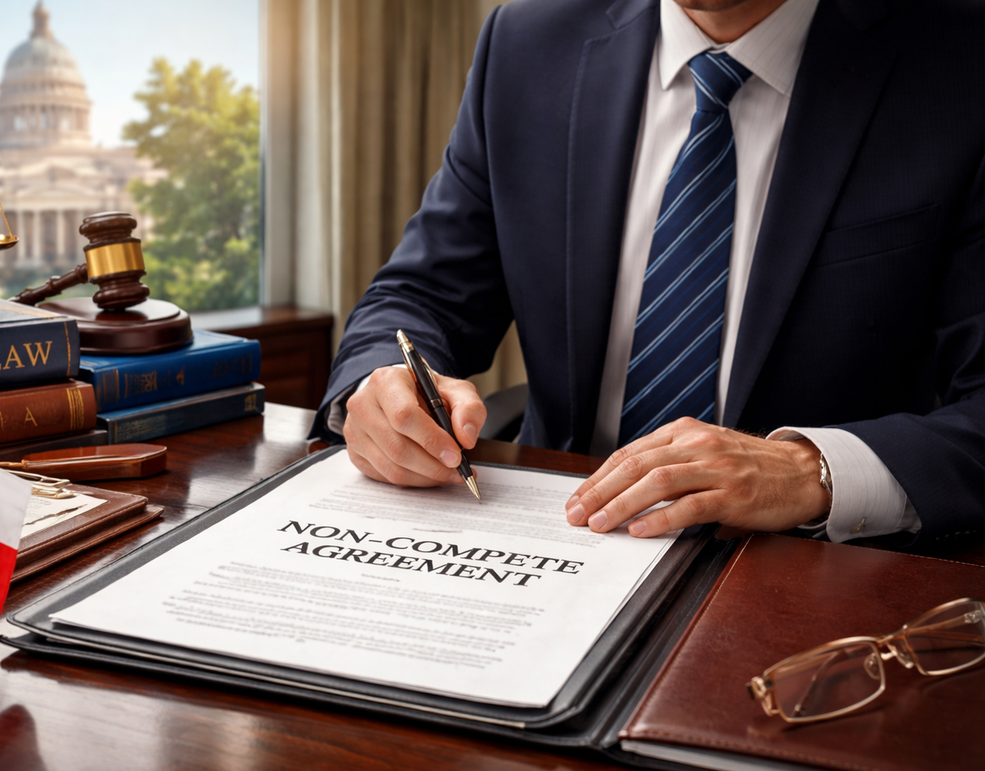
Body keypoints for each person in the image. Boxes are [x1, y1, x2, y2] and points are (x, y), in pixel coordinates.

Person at [310, 0, 985, 550]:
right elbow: (419, 296)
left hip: (820, 584)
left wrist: (812, 470)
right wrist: (381, 388)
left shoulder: (961, 66)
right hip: (549, 541)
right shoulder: (526, 43)